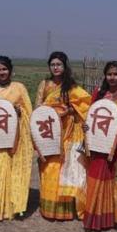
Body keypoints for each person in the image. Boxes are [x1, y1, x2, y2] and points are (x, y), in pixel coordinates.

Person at [82, 61, 117, 231]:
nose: (112, 77)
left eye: (116, 74)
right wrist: (85, 126)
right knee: (96, 178)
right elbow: (90, 116)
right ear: (105, 76)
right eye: (109, 74)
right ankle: (94, 215)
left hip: (116, 146)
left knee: (115, 178)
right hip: (97, 145)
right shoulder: (98, 94)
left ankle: (114, 217)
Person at [36, 51, 92, 220]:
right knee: (49, 168)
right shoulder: (44, 85)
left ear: (65, 66)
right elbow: (38, 108)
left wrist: (69, 111)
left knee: (66, 169)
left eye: (59, 64)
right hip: (49, 132)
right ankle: (49, 208)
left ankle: (66, 209)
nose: (55, 67)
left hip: (68, 132)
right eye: (52, 64)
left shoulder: (72, 87)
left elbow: (85, 105)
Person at [0, 56, 33, 221]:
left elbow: (28, 112)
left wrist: (18, 112)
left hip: (13, 140)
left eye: (5, 69)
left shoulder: (19, 88)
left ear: (10, 70)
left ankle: (8, 208)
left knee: (11, 173)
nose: (2, 72)